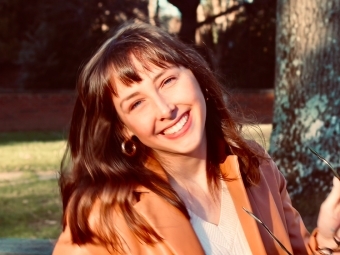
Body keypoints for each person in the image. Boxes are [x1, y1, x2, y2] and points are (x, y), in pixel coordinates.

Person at [52, 21, 340, 255]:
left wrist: (328, 238)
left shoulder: (257, 168)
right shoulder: (105, 215)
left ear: (197, 78)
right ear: (123, 128)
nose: (166, 109)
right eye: (136, 103)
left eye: (167, 81)